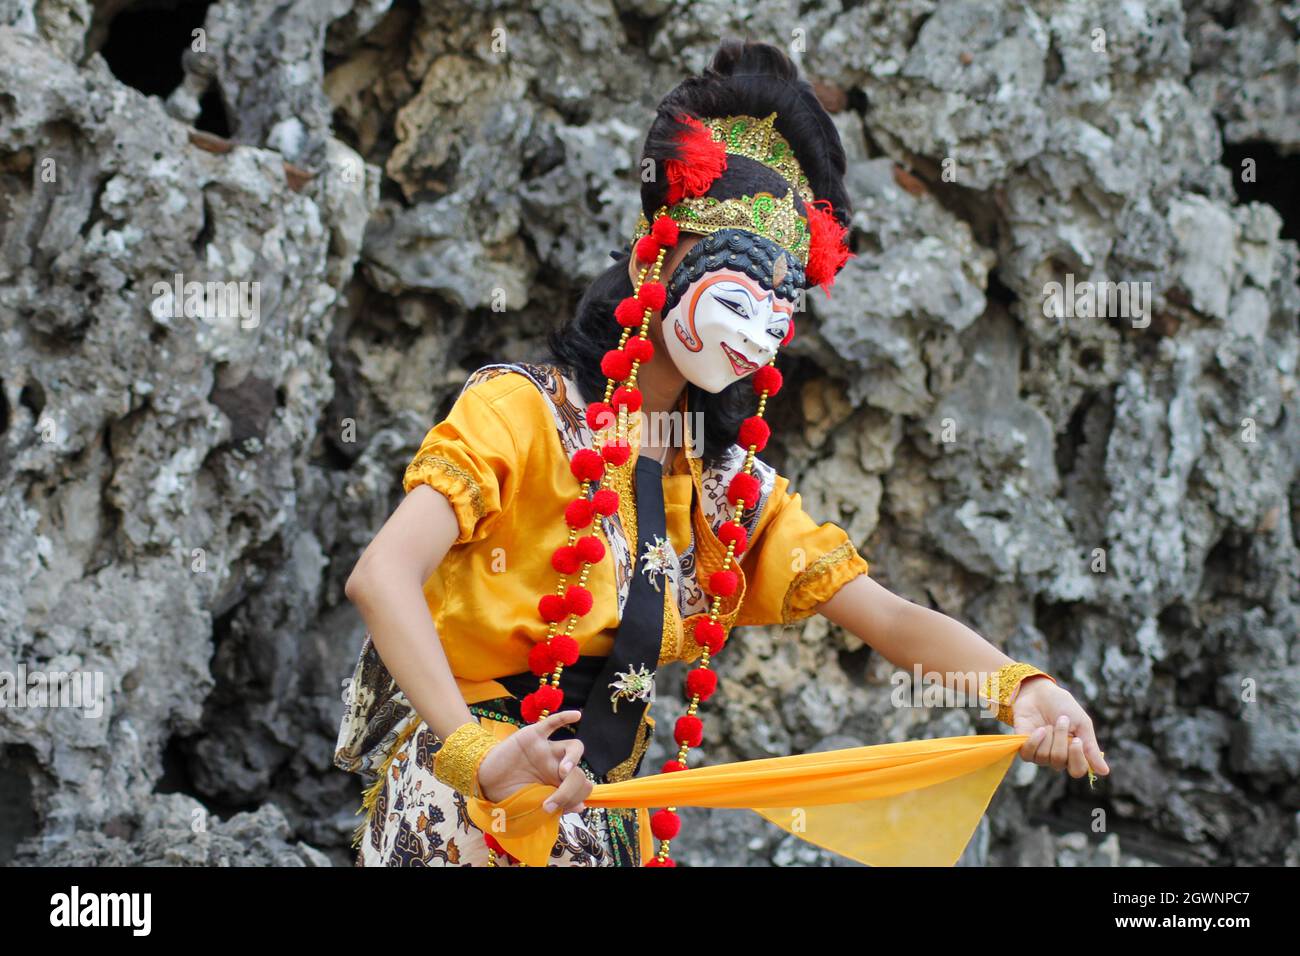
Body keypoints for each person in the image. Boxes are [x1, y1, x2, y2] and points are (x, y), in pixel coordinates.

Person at [335, 38, 1109, 868]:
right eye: (738, 289)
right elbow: (380, 577)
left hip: (599, 814)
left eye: (781, 305)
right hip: (465, 801)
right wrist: (475, 754)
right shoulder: (521, 412)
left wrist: (1019, 688)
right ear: (654, 260)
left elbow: (884, 615)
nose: (760, 325)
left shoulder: (721, 489)